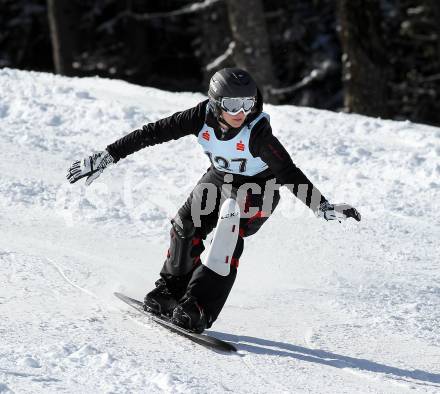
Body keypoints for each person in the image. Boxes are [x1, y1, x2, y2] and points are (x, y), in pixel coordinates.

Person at [67, 68, 361, 333]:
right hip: (220, 180)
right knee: (185, 224)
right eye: (233, 105)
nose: (240, 112)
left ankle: (199, 307)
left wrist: (320, 206)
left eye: (247, 103)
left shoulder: (257, 133)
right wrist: (108, 156)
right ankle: (172, 292)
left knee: (228, 227)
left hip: (260, 190)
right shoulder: (200, 117)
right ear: (217, 103)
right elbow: (152, 133)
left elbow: (288, 171)